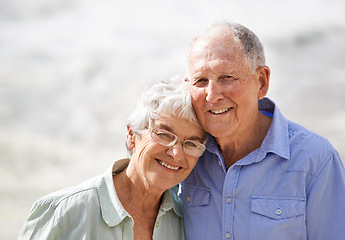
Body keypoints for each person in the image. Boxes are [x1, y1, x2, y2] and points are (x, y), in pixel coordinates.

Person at [179, 21, 345, 240]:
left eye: (227, 77)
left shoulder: (316, 160)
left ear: (261, 81)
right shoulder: (182, 154)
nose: (212, 95)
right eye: (201, 80)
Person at [19, 78, 207, 239]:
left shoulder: (188, 222)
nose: (176, 153)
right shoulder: (62, 213)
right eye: (164, 134)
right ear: (132, 135)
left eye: (190, 143)